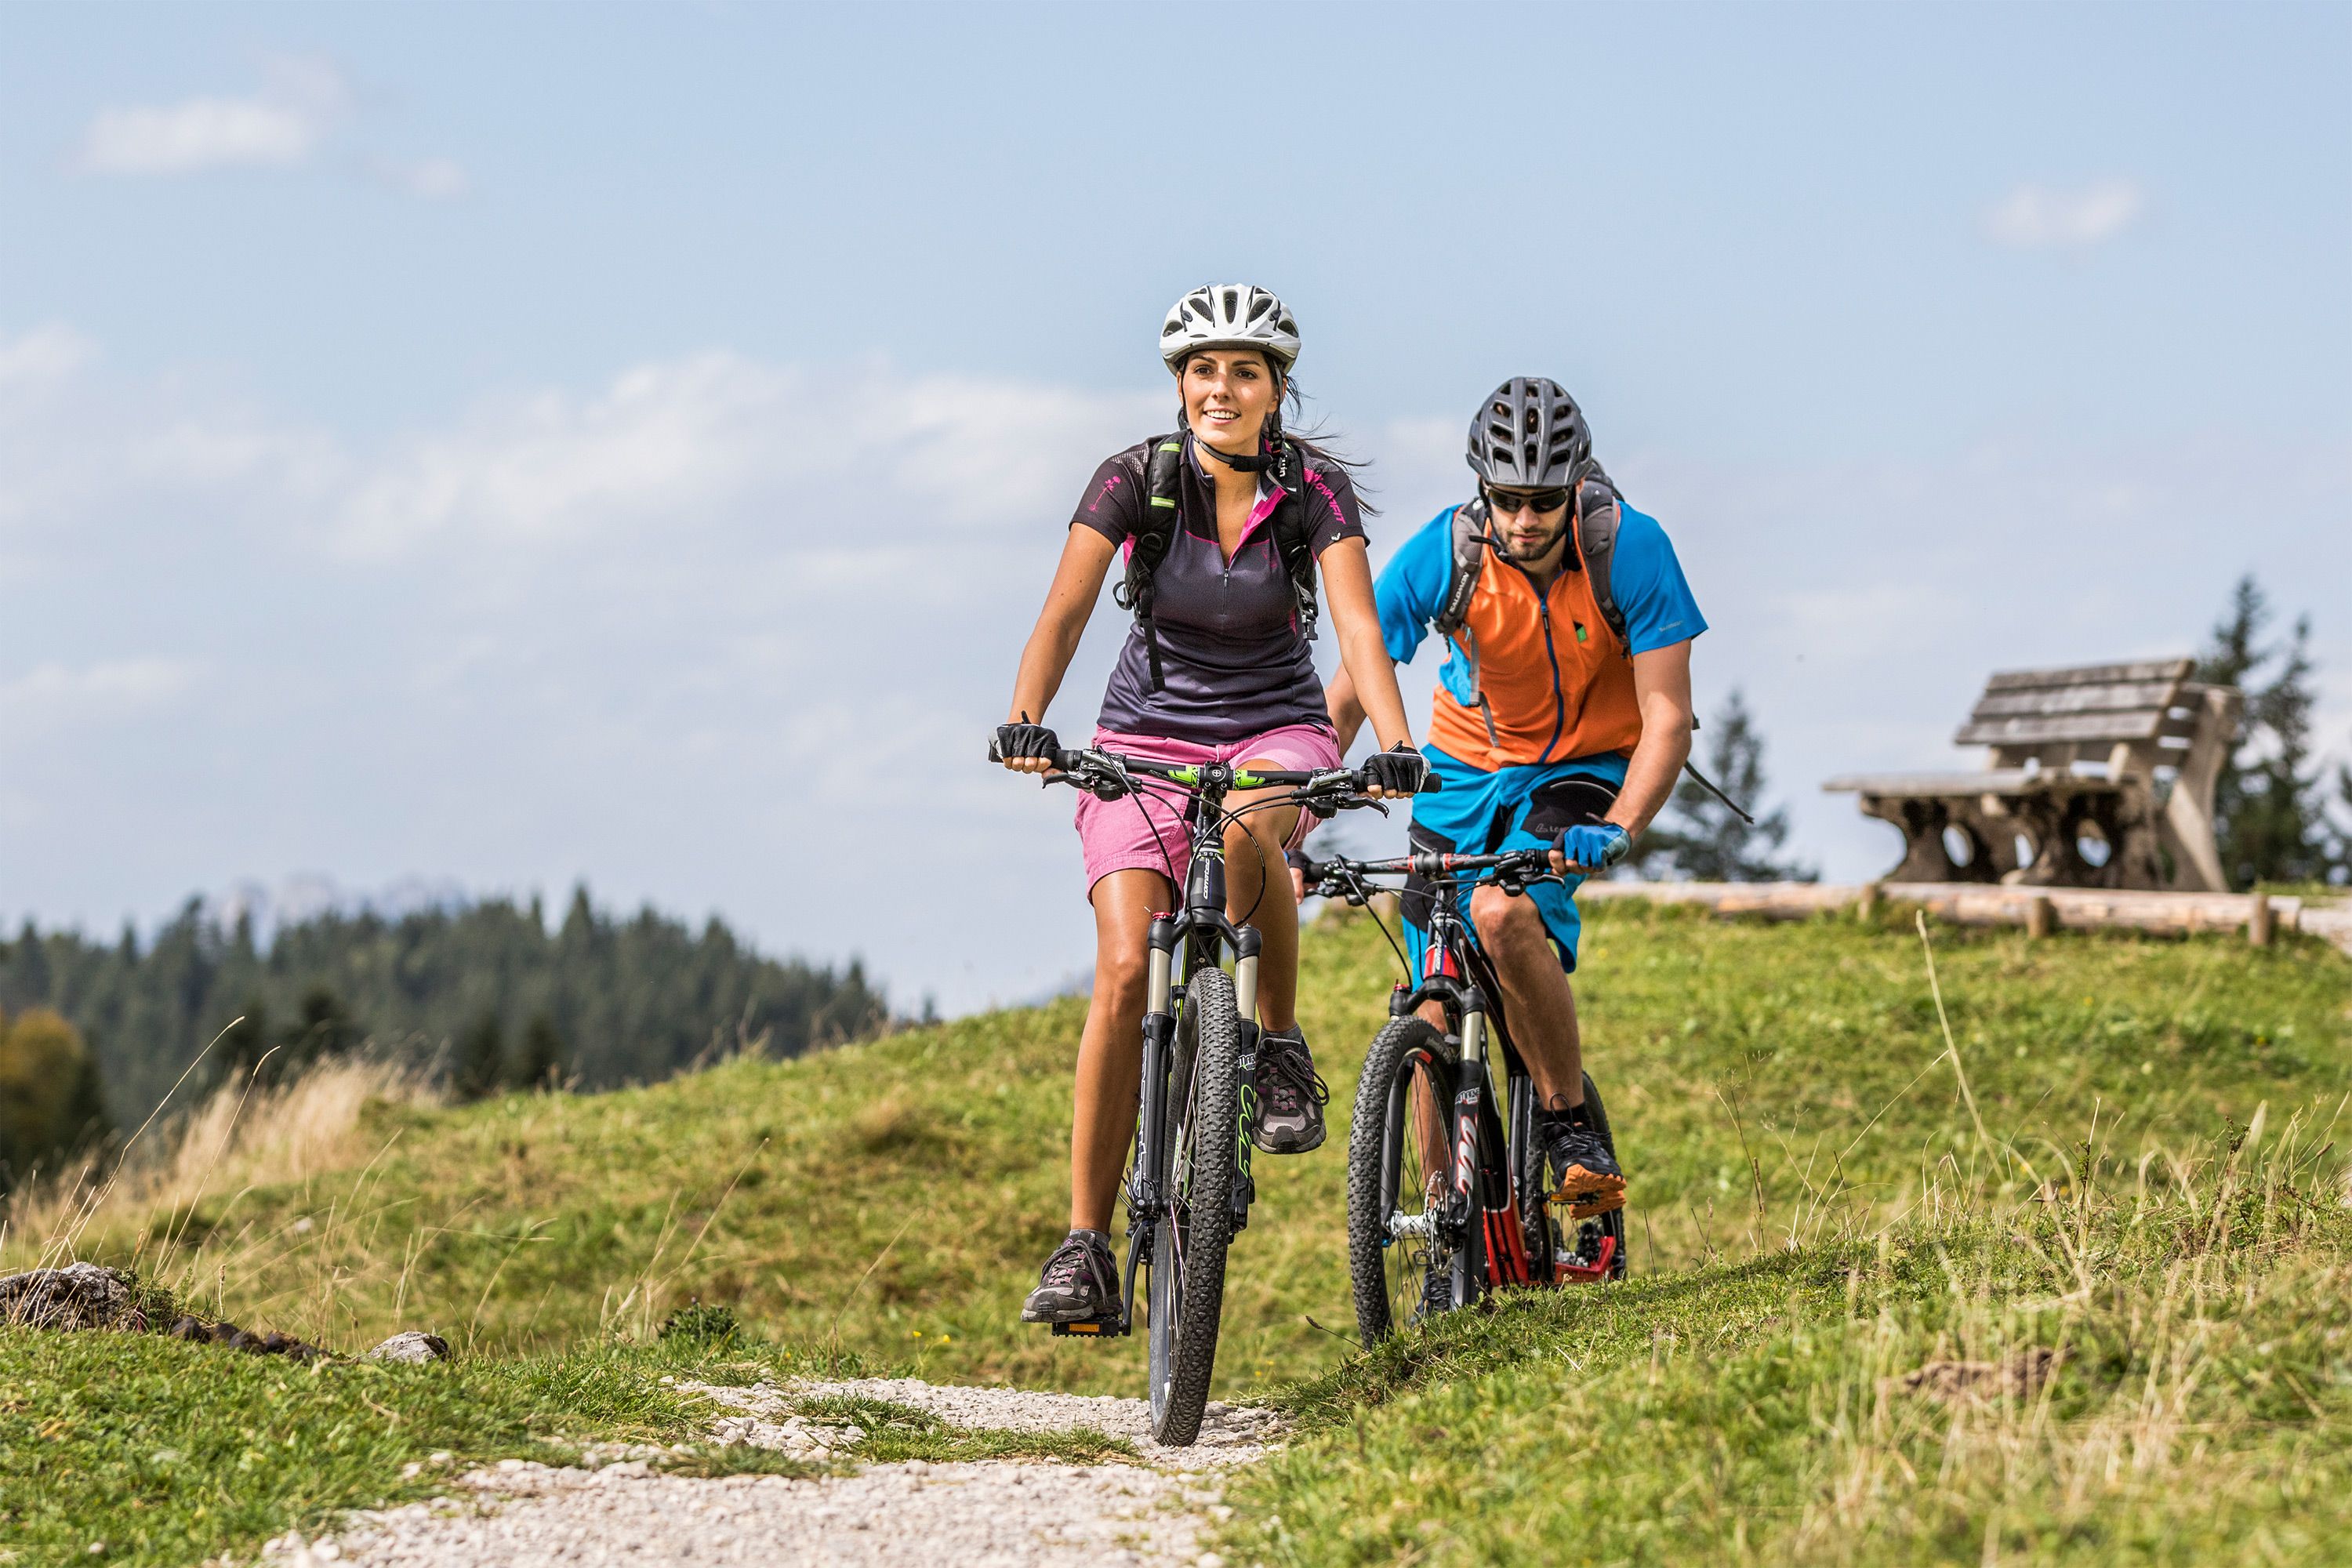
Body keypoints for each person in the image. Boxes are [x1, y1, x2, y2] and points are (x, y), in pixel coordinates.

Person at [995, 285, 1426, 1325]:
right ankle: (1086, 1247)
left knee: (1251, 837)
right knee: (1124, 965)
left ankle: (1275, 1045)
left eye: (1243, 371)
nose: (1219, 389)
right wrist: (1024, 717)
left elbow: (1361, 628)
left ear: (1278, 388)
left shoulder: (1311, 489)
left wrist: (1399, 741)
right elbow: (1062, 610)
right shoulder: (1134, 480)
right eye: (1202, 370)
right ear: (1179, 384)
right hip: (1143, 737)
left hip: (1276, 724)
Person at [1323, 376, 1704, 1225]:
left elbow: (1670, 718)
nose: (1524, 521)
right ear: (1481, 489)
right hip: (1461, 772)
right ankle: (1440, 1221)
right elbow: (1355, 678)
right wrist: (1304, 800)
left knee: (1500, 914)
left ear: (1575, 486)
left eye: (1542, 501)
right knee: (1425, 1001)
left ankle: (1570, 1126)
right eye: (1507, 501)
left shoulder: (1629, 548)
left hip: (1582, 767)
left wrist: (1620, 826)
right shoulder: (1448, 550)